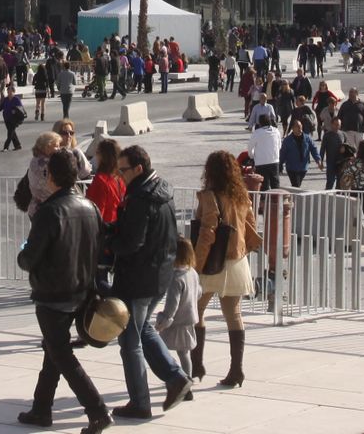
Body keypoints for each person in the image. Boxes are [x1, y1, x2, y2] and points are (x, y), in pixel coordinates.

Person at [15, 149, 112, 434]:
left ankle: (97, 411)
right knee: (53, 350)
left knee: (61, 355)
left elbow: (29, 258)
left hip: (53, 293)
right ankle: (41, 408)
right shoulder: (90, 207)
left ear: (51, 176)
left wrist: (23, 254)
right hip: (81, 289)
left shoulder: (50, 212)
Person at [107, 145, 192, 420]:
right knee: (143, 330)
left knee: (129, 341)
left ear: (138, 169)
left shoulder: (141, 197)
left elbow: (131, 242)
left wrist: (105, 241)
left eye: (123, 170)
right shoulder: (161, 189)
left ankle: (140, 402)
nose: (119, 176)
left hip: (138, 279)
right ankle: (176, 377)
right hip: (158, 275)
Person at [192, 150, 259, 390]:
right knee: (234, 314)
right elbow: (251, 225)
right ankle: (236, 370)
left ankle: (196, 365)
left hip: (213, 262)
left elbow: (207, 232)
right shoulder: (241, 195)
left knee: (197, 310)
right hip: (238, 261)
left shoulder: (210, 196)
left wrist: (195, 264)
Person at [157, 237, 200, 384]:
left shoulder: (176, 278)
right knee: (184, 353)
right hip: (189, 319)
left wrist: (164, 319)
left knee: (161, 350)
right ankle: (187, 378)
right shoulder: (192, 273)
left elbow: (172, 304)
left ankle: (182, 380)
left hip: (177, 322)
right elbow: (199, 292)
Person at [279, 118, 322, 187]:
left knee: (297, 185)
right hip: (291, 168)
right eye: (297, 127)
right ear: (293, 128)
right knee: (296, 185)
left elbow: (313, 149)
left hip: (303, 167)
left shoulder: (307, 138)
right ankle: (293, 196)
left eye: (300, 126)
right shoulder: (287, 140)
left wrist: (318, 160)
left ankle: (291, 196)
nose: (300, 129)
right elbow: (283, 153)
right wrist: (280, 165)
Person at [246, 113, 282, 190]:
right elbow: (279, 146)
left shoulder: (257, 133)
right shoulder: (276, 131)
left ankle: (264, 200)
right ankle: (276, 201)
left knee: (263, 186)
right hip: (274, 161)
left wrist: (252, 156)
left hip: (261, 162)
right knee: (275, 184)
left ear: (260, 123)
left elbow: (250, 147)